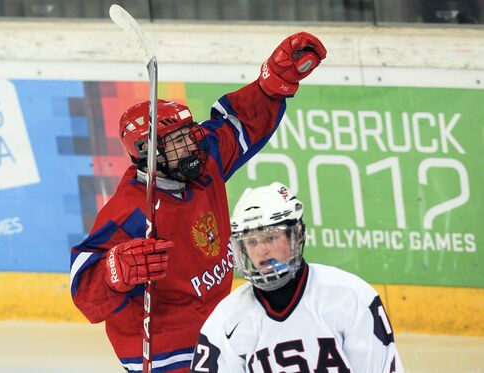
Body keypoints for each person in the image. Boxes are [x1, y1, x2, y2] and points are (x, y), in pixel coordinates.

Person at [69, 33, 327, 373]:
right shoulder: (130, 212)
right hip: (164, 348)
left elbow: (239, 125)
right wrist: (115, 271)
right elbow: (86, 291)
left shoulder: (202, 158)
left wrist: (272, 84)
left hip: (219, 327)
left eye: (188, 134)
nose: (191, 145)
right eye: (177, 141)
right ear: (150, 155)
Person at [190, 182, 404, 373]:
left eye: (271, 237)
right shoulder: (226, 321)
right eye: (252, 242)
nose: (262, 250)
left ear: (297, 234)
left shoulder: (350, 297)